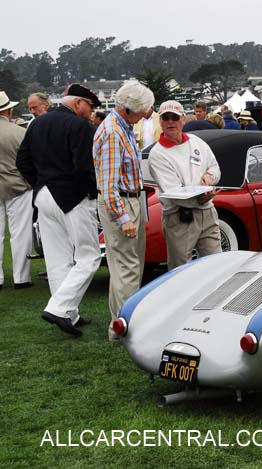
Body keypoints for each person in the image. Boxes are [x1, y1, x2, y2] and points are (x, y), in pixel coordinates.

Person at [16, 84, 102, 337]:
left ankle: (68, 314)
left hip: (43, 195)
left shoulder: (37, 124)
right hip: (72, 196)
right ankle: (59, 307)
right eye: (90, 105)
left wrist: (41, 183)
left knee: (57, 259)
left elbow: (23, 161)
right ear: (78, 103)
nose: (91, 111)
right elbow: (84, 167)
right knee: (89, 256)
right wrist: (90, 191)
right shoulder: (80, 126)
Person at [93, 82, 154, 341]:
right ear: (129, 109)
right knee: (127, 267)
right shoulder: (113, 133)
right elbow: (107, 185)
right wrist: (123, 217)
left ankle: (121, 323)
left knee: (128, 266)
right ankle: (125, 328)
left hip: (130, 200)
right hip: (122, 203)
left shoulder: (123, 127)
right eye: (142, 111)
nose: (145, 116)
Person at [148, 100, 222, 270]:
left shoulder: (196, 141)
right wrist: (202, 198)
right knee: (180, 270)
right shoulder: (157, 154)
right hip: (180, 216)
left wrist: (210, 177)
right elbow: (174, 193)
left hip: (207, 213)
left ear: (182, 119)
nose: (170, 122)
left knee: (216, 266)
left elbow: (215, 167)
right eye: (165, 118)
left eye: (174, 117)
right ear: (160, 121)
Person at [0, 91, 32, 290]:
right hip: (17, 186)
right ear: (8, 110)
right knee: (20, 233)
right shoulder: (19, 132)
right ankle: (21, 277)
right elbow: (29, 161)